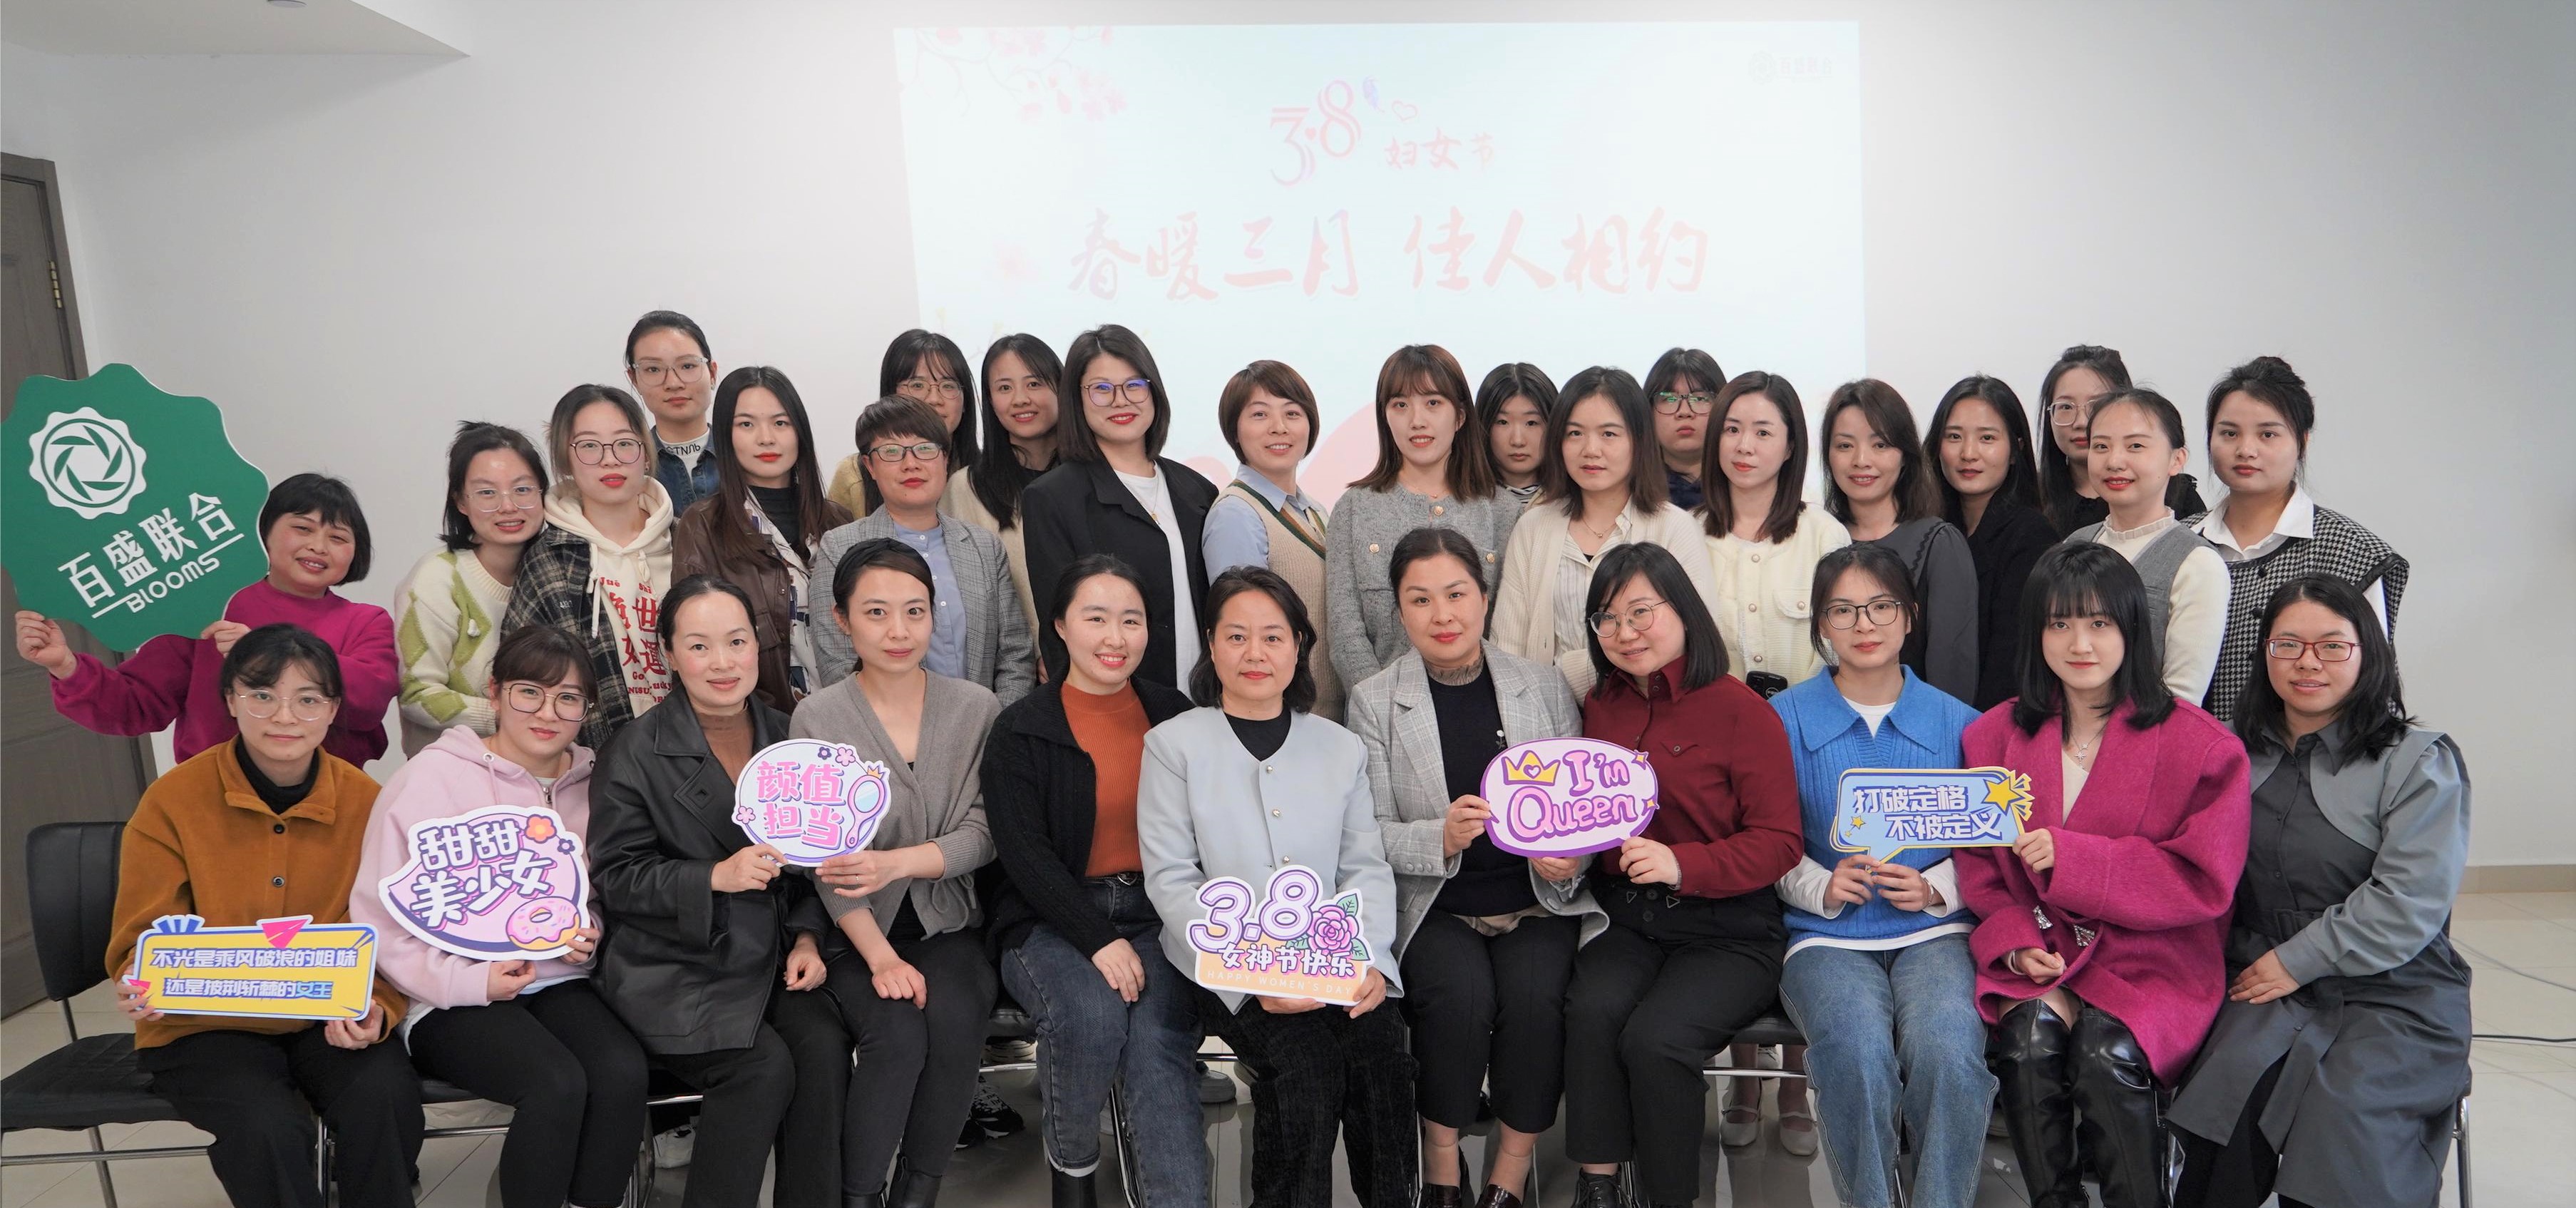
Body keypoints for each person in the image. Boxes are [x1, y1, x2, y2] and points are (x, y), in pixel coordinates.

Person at [1958, 542, 2250, 1208]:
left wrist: (2078, 861)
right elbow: (1980, 868)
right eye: (2058, 623)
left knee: (2102, 1052)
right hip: (2043, 945)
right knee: (2027, 1042)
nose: (2079, 643)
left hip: (2153, 956)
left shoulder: (2203, 745)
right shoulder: (1990, 737)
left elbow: (2204, 879)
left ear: (2132, 628)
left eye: (2098, 623)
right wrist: (2014, 942)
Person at [2169, 575, 2468, 1208]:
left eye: (2332, 646)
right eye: (2288, 645)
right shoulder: (2222, 750)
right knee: (2223, 1111)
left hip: (2394, 989)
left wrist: (2299, 959)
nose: (2308, 663)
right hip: (2257, 978)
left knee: (2345, 1124)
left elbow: (2407, 900)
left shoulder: (2417, 761)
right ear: (2264, 654)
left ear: (2367, 655)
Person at [106, 624, 421, 1208]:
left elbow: (394, 930)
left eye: (308, 699)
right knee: (266, 1127)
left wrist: (378, 1007)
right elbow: (143, 933)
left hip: (326, 1016)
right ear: (230, 700)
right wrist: (139, 977)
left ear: (333, 709)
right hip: (203, 1026)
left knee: (384, 1097)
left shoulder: (367, 802)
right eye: (262, 695)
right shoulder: (173, 799)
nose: (284, 717)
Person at [1139, 568, 1414, 1208]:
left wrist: (1369, 962)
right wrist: (1257, 972)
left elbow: (1363, 866)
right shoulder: (1173, 746)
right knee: (1305, 1070)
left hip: (1333, 959)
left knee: (1380, 1056)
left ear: (1298, 645)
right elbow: (1173, 877)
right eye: (1236, 636)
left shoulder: (1340, 747)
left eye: (1272, 636)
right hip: (1225, 967)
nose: (1254, 653)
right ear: (1212, 645)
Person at [351, 625, 647, 1208]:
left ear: (587, 708)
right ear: (494, 692)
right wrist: (468, 981)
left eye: (568, 698)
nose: (548, 713)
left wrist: (588, 933)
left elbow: (602, 893)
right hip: (448, 996)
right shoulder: (431, 779)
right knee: (554, 1083)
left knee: (621, 1073)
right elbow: (379, 917)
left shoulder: (598, 784)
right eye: (529, 692)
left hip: (558, 979)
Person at [1343, 528, 1595, 1208]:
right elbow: (1368, 831)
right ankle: (1441, 1164)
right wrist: (1440, 837)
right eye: (1420, 600)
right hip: (1437, 905)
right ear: (1400, 612)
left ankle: (1510, 1172)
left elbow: (1585, 811)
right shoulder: (1374, 699)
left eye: (1456, 595)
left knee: (1537, 1003)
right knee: (1459, 1000)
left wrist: (1570, 857)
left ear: (1483, 599)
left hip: (1535, 899)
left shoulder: (1541, 686)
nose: (1442, 615)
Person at [1561, 543, 1801, 1208]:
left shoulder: (1740, 710)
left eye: (1641, 611)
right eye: (1607, 619)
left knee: (1657, 1041)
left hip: (1730, 930)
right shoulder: (1599, 705)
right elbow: (1590, 819)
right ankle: (1599, 1185)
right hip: (1629, 919)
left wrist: (1682, 863)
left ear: (1684, 611)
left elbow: (1780, 842)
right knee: (1591, 1010)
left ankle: (1670, 1198)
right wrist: (1566, 854)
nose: (1625, 632)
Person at [586, 575, 836, 1208]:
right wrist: (712, 876)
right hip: (676, 965)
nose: (722, 663)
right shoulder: (632, 750)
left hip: (772, 958)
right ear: (669, 655)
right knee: (761, 1069)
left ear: (759, 645)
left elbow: (819, 863)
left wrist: (808, 936)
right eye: (699, 646)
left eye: (736, 641)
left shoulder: (790, 737)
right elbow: (616, 876)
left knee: (824, 1052)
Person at [1768, 545, 1991, 1208]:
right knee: (1855, 1054)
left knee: (1949, 1050)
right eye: (1842, 610)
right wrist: (1820, 884)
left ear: (1909, 616)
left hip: (1936, 933)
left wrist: (1934, 888)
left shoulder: (1964, 724)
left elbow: (1989, 845)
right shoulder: (1781, 720)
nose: (1863, 624)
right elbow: (1766, 841)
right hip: (1825, 936)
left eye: (1881, 606)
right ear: (1820, 624)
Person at [984, 556, 1208, 1208]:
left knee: (1158, 1040)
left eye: (1131, 621)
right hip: (1049, 914)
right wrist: (1097, 939)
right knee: (1088, 1016)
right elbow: (1024, 856)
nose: (1115, 638)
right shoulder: (1020, 728)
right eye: (1096, 618)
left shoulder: (1174, 714)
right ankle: (1073, 1174)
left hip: (1160, 909)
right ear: (1060, 625)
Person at [792, 539, 1003, 1208]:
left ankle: (916, 1194)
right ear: (841, 619)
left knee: (957, 1017)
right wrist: (881, 958)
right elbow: (822, 860)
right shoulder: (817, 716)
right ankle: (859, 1196)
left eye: (915, 611)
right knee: (899, 1035)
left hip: (950, 923)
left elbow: (984, 833)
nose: (899, 630)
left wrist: (895, 862)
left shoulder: (976, 708)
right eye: (876, 612)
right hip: (856, 933)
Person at [19, 473, 400, 767]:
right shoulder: (211, 605)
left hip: (328, 806)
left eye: (338, 538)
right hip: (212, 803)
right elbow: (136, 704)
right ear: (264, 531)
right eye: (302, 528)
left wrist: (266, 653)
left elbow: (369, 702)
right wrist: (66, 667)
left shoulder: (366, 621)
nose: (318, 546)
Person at [2185, 356, 2408, 721]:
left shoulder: (2351, 550)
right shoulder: (2178, 543)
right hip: (2187, 751)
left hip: (2308, 753)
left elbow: (2375, 691)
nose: (2246, 450)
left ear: (2302, 442)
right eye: (2229, 433)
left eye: (2267, 434)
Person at [1022, 324, 1219, 691]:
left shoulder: (1198, 490)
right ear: (1076, 400)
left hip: (1206, 701)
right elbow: (1058, 631)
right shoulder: (1052, 498)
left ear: (1154, 392)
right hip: (1118, 704)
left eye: (1134, 385)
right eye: (1101, 389)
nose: (1120, 401)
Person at [814, 399, 1035, 705]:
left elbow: (1016, 654)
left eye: (925, 449)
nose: (911, 464)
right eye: (892, 452)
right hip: (884, 729)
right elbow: (837, 664)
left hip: (986, 727)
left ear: (945, 459)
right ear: (870, 466)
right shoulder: (839, 548)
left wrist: (994, 723)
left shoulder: (984, 546)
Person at [1324, 344, 1519, 689]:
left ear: (1460, 417)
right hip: (1381, 709)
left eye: (1433, 403)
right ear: (1385, 416)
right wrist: (1382, 705)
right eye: (1400, 405)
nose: (1417, 421)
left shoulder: (1502, 509)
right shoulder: (1354, 508)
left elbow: (1511, 628)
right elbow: (1346, 633)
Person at [503, 384, 677, 749]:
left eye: (624, 443)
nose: (609, 460)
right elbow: (521, 683)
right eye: (589, 446)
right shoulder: (549, 560)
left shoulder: (688, 540)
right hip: (596, 761)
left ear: (646, 454)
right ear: (565, 460)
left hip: (697, 751)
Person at [672, 367, 853, 715]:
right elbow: (694, 642)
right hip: (764, 724)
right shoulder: (703, 526)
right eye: (746, 424)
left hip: (852, 714)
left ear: (800, 431)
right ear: (725, 436)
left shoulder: (838, 521)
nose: (766, 438)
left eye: (780, 423)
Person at [2065, 387, 2230, 704]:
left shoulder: (2197, 563)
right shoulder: (2074, 544)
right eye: (2101, 446)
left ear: (2177, 459)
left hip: (2151, 731)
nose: (2114, 461)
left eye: (2136, 446)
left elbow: (2182, 699)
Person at [393, 422, 550, 754]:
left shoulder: (556, 573)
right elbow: (417, 694)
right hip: (453, 770)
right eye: (487, 493)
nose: (508, 506)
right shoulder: (437, 578)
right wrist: (513, 716)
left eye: (522, 489)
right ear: (461, 502)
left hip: (539, 768)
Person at [1821, 378, 1979, 702]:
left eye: (1880, 445)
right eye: (1845, 446)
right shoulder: (1816, 536)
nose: (1861, 460)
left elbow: (1952, 680)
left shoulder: (1939, 543)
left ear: (1905, 455)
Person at [1202, 359, 1343, 719]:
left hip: (1328, 714)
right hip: (1281, 717)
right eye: (1260, 415)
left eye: (1292, 414)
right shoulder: (1236, 514)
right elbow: (1241, 634)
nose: (1279, 428)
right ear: (1235, 430)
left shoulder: (1315, 510)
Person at [1699, 370, 1849, 694]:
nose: (1744, 446)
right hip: (1714, 719)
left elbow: (1841, 647)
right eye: (1732, 429)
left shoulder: (1824, 534)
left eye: (1763, 433)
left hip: (1807, 719)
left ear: (1790, 447)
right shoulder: (1689, 534)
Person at [1929, 374, 2061, 710]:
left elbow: (2012, 666)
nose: (1968, 453)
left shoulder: (2032, 536)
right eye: (1954, 437)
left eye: (1987, 438)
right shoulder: (1930, 530)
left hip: (1991, 723)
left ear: (2016, 450)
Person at [943, 333, 1063, 636]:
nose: (1020, 399)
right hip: (1010, 658)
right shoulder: (965, 488)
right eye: (1004, 388)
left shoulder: (1093, 479)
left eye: (1034, 384)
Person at [2035, 344, 2205, 533]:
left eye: (2097, 404)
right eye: (2066, 407)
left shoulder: (2179, 497)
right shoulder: (2030, 498)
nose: (2082, 422)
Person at [828, 329, 981, 518]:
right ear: (891, 394)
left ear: (965, 401)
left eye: (948, 386)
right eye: (917, 385)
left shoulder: (986, 474)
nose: (934, 399)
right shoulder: (853, 476)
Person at [627, 310, 723, 513]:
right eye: (653, 369)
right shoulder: (626, 466)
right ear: (634, 379)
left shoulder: (745, 455)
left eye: (687, 366)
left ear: (712, 373)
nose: (673, 383)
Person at [1643, 347, 1725, 511]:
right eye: (1670, 399)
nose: (1685, 412)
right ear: (1648, 411)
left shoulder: (1743, 490)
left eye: (1700, 399)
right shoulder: (1627, 494)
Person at [1477, 362, 1556, 508]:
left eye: (1531, 423)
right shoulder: (1463, 501)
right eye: (1503, 422)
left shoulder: (1575, 503)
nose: (1518, 441)